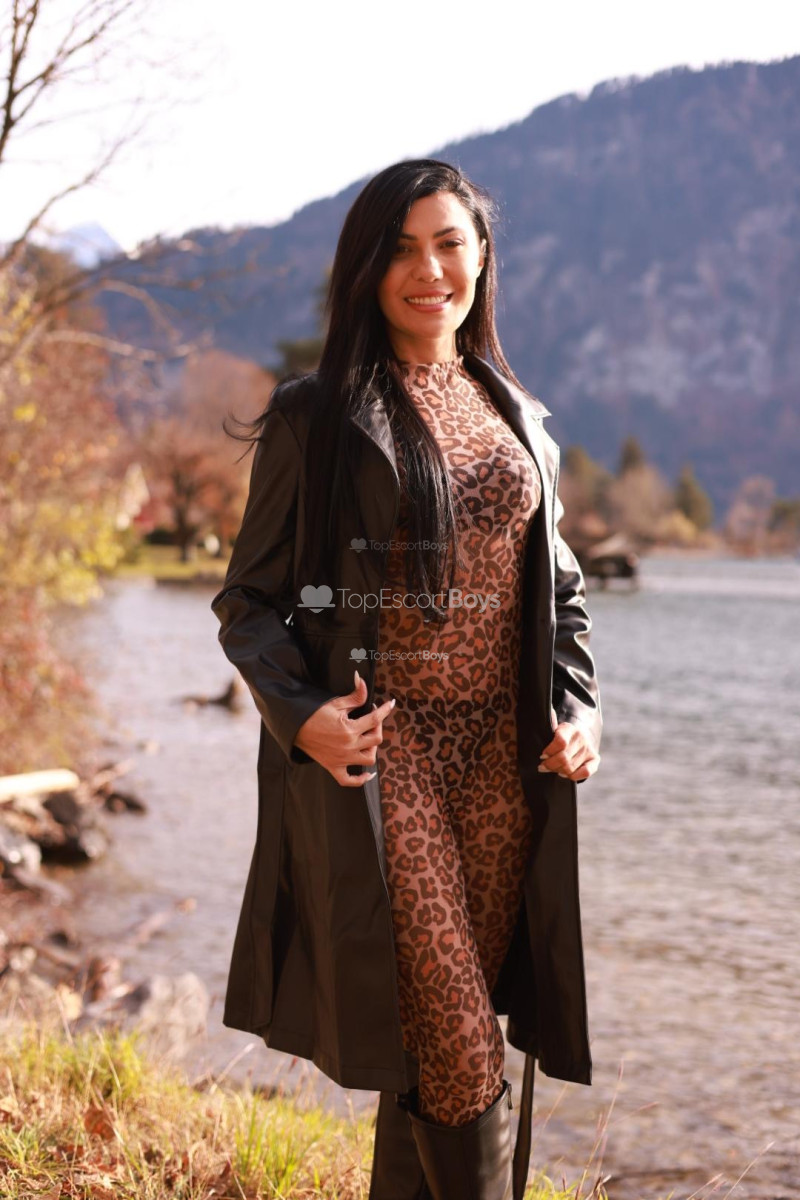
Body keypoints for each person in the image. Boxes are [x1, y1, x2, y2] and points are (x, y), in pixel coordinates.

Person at [211, 158, 602, 1200]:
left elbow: (559, 596)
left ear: (481, 258)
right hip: (390, 757)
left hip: (504, 764)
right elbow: (248, 601)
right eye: (400, 249)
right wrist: (301, 717)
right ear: (365, 269)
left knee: (430, 1045)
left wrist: (582, 712)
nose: (428, 271)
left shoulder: (518, 415)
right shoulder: (318, 414)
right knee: (463, 1047)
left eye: (448, 245)